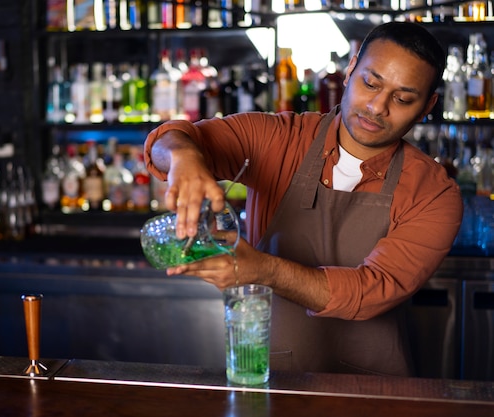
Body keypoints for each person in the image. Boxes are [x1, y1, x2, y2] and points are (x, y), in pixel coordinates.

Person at [143, 21, 463, 377]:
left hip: (377, 391)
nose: (377, 106)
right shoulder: (278, 138)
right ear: (350, 69)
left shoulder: (434, 193)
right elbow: (172, 139)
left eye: (402, 98)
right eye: (370, 83)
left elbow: (373, 290)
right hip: (273, 381)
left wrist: (264, 269)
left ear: (427, 105)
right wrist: (183, 158)